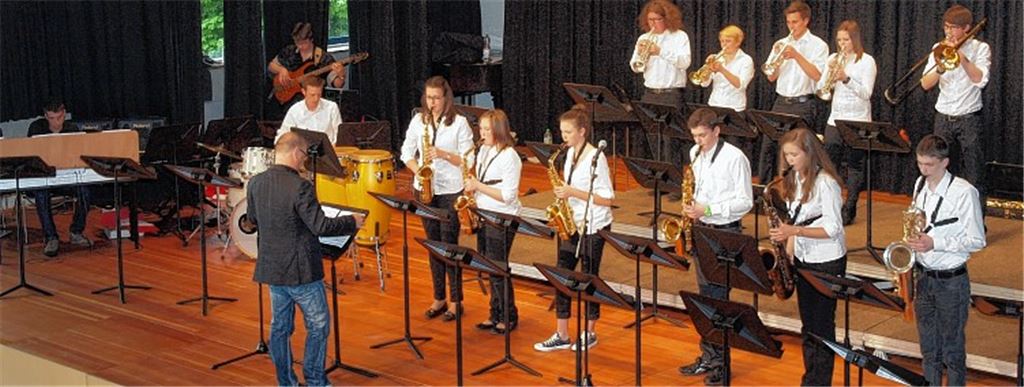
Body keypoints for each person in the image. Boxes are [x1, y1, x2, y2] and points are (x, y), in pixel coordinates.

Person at [246, 131, 365, 386]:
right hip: (301, 272)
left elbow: (252, 221)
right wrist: (351, 221)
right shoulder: (300, 187)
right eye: (303, 158)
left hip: (272, 269)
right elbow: (320, 226)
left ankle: (286, 382)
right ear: (296, 153)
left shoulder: (255, 183)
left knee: (280, 328)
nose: (304, 163)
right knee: (319, 325)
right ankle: (315, 380)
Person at [677, 108, 753, 385]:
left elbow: (745, 201)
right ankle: (709, 356)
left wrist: (707, 207)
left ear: (717, 131)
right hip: (702, 231)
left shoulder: (735, 158)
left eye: (703, 136)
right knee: (705, 299)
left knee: (719, 301)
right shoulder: (695, 154)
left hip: (725, 233)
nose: (698, 141)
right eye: (694, 136)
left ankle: (723, 366)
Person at [534, 104, 614, 353]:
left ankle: (590, 332)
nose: (563, 137)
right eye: (562, 131)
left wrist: (572, 192)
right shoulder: (568, 154)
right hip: (571, 222)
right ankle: (561, 333)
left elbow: (607, 198)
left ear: (582, 131)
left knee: (589, 277)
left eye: (568, 132)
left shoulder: (595, 158)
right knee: (562, 276)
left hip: (593, 224)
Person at [907, 134, 986, 386]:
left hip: (951, 281)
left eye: (929, 165)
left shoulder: (964, 192)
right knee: (929, 350)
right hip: (924, 276)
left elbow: (977, 240)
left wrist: (935, 243)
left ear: (945, 162)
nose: (924, 170)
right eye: (920, 164)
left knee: (952, 350)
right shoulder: (920, 184)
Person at [768, 128, 845, 386]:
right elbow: (796, 218)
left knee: (822, 328)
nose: (789, 160)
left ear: (809, 153)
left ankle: (819, 382)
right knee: (808, 327)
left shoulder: (827, 183)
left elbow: (833, 228)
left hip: (826, 261)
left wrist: (795, 231)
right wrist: (787, 250)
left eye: (794, 155)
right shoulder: (797, 179)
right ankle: (810, 379)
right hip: (803, 257)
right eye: (786, 155)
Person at [399, 75, 474, 322]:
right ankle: (439, 297)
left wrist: (442, 154)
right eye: (428, 97)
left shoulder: (459, 123)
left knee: (449, 245)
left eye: (437, 98)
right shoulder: (418, 121)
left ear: (446, 98)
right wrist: (418, 169)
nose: (432, 103)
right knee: (433, 245)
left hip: (451, 188)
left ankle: (456, 301)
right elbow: (406, 153)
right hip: (425, 187)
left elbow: (468, 159)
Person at [920, 5, 990, 210]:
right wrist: (940, 66)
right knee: (939, 170)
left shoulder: (980, 48)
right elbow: (925, 84)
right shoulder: (938, 48)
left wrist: (962, 57)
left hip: (969, 118)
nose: (948, 32)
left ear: (966, 28)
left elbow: (980, 80)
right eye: (946, 27)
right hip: (943, 116)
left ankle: (977, 223)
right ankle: (941, 215)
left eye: (953, 28)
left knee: (975, 174)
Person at [464, 109, 522, 335]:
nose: (482, 132)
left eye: (487, 129)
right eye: (481, 128)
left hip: (502, 216)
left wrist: (477, 186)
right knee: (489, 268)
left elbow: (508, 195)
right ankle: (494, 313)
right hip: (484, 213)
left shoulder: (510, 156)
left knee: (499, 268)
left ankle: (509, 316)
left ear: (499, 130)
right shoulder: (484, 151)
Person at [758, 0, 828, 184]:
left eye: (795, 22)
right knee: (767, 148)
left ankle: (797, 192)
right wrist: (778, 60)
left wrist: (797, 55)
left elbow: (818, 75)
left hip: (803, 104)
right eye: (789, 22)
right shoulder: (781, 43)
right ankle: (762, 195)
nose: (791, 26)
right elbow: (771, 77)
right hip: (781, 101)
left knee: (797, 152)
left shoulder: (818, 45)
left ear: (806, 21)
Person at [817, 20, 877, 226]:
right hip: (835, 119)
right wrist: (830, 78)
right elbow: (820, 87)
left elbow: (866, 93)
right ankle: (829, 204)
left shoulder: (867, 61)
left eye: (846, 40)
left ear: (855, 39)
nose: (842, 44)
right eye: (839, 40)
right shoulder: (833, 58)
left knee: (855, 166)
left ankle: (849, 206)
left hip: (858, 120)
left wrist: (846, 78)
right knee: (829, 165)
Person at [629, 0, 691, 168]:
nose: (653, 23)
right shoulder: (644, 38)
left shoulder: (679, 36)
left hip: (671, 93)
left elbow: (684, 62)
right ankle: (660, 179)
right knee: (653, 137)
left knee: (671, 140)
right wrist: (644, 56)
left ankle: (674, 183)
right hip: (650, 92)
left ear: (667, 18)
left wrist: (660, 52)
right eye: (650, 20)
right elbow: (635, 66)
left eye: (657, 19)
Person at [27, 100, 92, 257]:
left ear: (64, 114)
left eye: (59, 117)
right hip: (44, 176)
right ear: (45, 116)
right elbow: (31, 155)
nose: (56, 122)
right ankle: (51, 237)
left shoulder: (72, 129)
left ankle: (76, 231)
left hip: (68, 176)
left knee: (85, 191)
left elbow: (79, 155)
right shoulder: (37, 128)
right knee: (41, 193)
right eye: (51, 118)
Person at [267, 22, 346, 118]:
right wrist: (281, 69)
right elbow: (271, 66)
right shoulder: (289, 51)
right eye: (297, 43)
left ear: (311, 39)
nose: (300, 46)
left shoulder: (323, 58)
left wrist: (341, 75)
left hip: (309, 110)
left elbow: (337, 84)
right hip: (282, 106)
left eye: (303, 43)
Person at [699, 25, 755, 112]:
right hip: (714, 104)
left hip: (735, 107)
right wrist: (708, 71)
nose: (724, 44)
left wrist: (722, 70)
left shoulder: (746, 60)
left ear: (738, 42)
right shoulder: (716, 58)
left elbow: (741, 85)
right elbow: (704, 84)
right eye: (722, 41)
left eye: (728, 41)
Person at [276, 77, 343, 145]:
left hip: (328, 151)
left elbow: (339, 134)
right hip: (303, 152)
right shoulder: (295, 110)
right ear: (303, 92)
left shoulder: (332, 107)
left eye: (319, 94)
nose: (316, 99)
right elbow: (283, 134)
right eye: (312, 95)